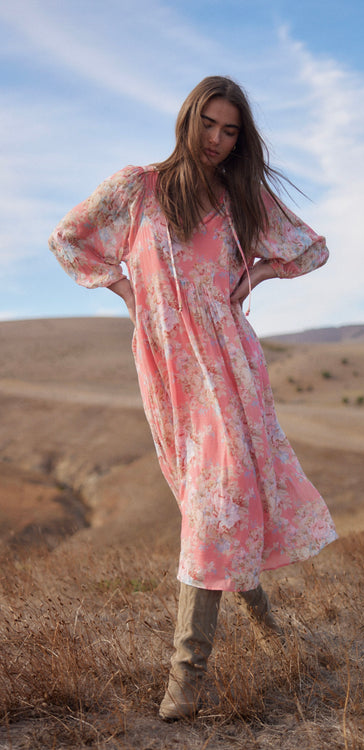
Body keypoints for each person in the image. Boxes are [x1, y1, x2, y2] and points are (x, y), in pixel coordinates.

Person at [49, 75, 337, 720]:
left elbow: (312, 248)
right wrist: (126, 291)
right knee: (209, 495)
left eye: (230, 129)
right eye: (209, 123)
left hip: (229, 359)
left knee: (220, 489)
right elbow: (68, 238)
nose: (216, 139)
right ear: (187, 120)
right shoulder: (137, 187)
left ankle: (186, 678)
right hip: (168, 363)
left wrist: (260, 270)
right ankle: (266, 626)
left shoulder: (243, 194)